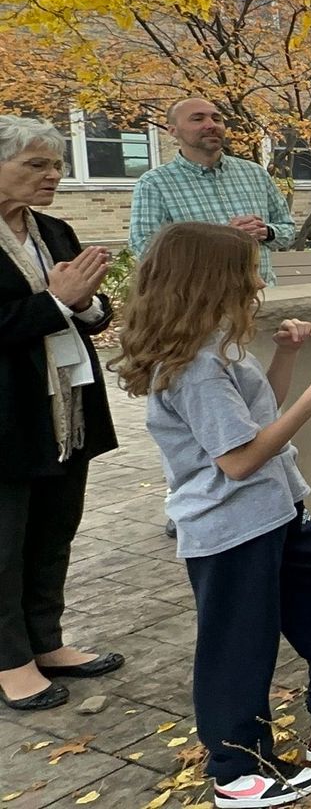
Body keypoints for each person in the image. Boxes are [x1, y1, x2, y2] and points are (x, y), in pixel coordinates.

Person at [114, 223, 311, 808]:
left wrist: (286, 356)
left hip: (275, 510)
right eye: (249, 271)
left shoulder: (213, 349)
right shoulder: (194, 369)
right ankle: (238, 770)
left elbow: (260, 416)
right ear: (212, 283)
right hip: (230, 525)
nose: (259, 282)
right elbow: (238, 460)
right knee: (239, 643)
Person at [0, 116, 120, 712]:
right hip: (6, 419)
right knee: (5, 542)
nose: (54, 176)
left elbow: (92, 307)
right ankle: (9, 661)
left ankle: (46, 641)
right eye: (37, 165)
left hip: (65, 410)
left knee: (55, 530)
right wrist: (56, 302)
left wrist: (91, 304)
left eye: (56, 164)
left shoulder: (53, 228)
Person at [129, 97, 296, 284]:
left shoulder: (255, 173)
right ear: (172, 130)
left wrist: (266, 232)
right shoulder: (155, 183)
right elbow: (145, 248)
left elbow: (288, 230)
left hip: (261, 295)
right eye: (198, 119)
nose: (211, 125)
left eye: (217, 119)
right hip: (200, 303)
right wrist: (219, 242)